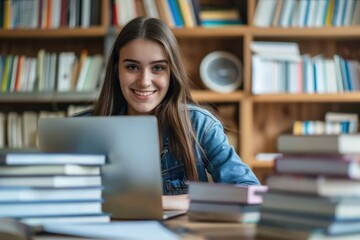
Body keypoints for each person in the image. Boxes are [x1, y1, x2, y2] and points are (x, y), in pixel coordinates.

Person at [76, 16, 260, 210]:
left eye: (157, 68)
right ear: (116, 70)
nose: (144, 81)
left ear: (171, 72)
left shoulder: (198, 125)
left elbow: (250, 193)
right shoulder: (82, 129)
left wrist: (172, 202)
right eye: (132, 67)